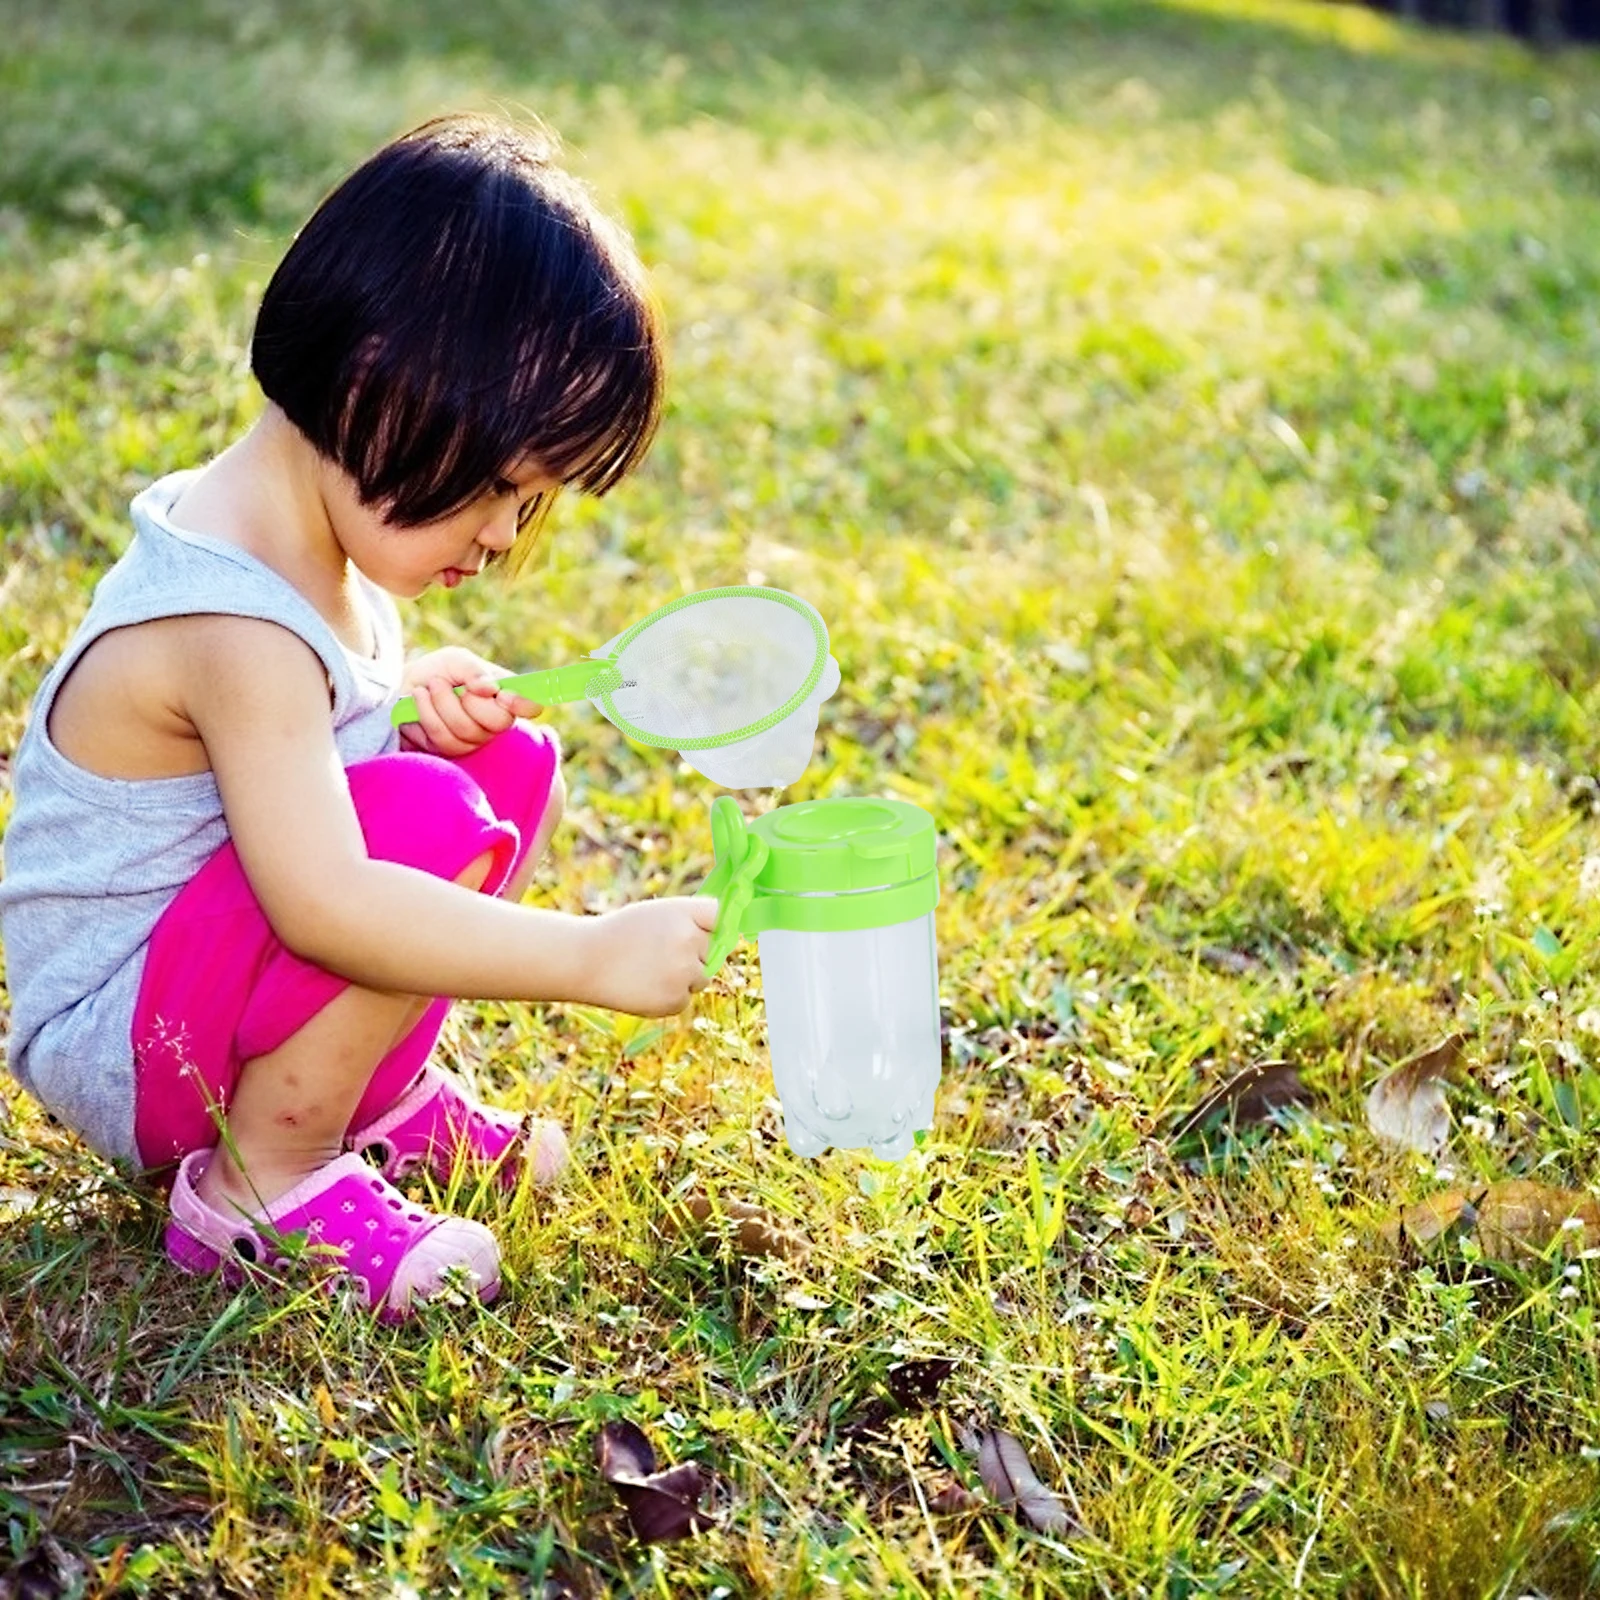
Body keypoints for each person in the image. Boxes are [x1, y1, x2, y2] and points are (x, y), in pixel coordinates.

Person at [0, 113, 718, 1322]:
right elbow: (324, 901)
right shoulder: (234, 621)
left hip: (196, 986)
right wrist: (586, 956)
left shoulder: (309, 541)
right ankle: (259, 1184)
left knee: (500, 759)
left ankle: (367, 1103)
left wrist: (402, 702)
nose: (501, 535)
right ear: (379, 385)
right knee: (428, 821)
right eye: (498, 487)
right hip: (130, 1047)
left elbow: (295, 765)